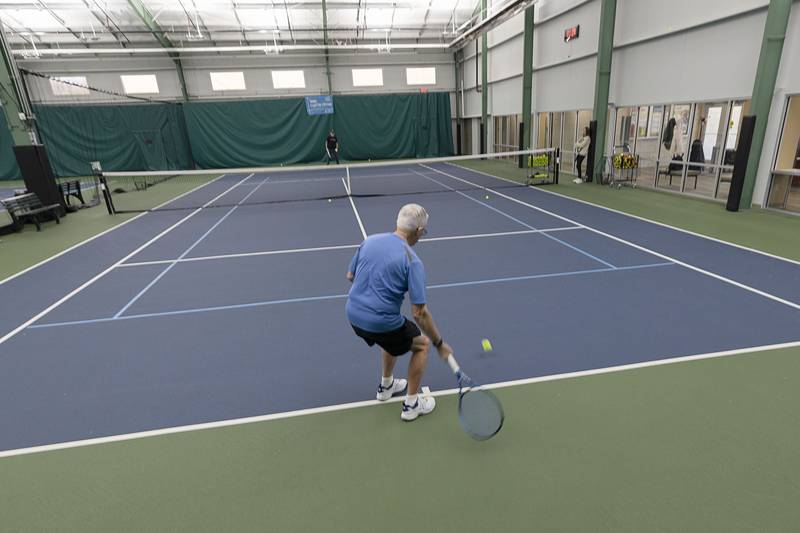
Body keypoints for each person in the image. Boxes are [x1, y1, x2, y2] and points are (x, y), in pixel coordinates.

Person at [346, 204, 453, 421]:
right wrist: (440, 344)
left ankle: (386, 387)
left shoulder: (370, 241)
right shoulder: (413, 261)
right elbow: (419, 313)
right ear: (419, 231)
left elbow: (350, 275)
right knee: (421, 344)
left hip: (353, 315)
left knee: (395, 333)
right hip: (379, 322)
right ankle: (412, 404)